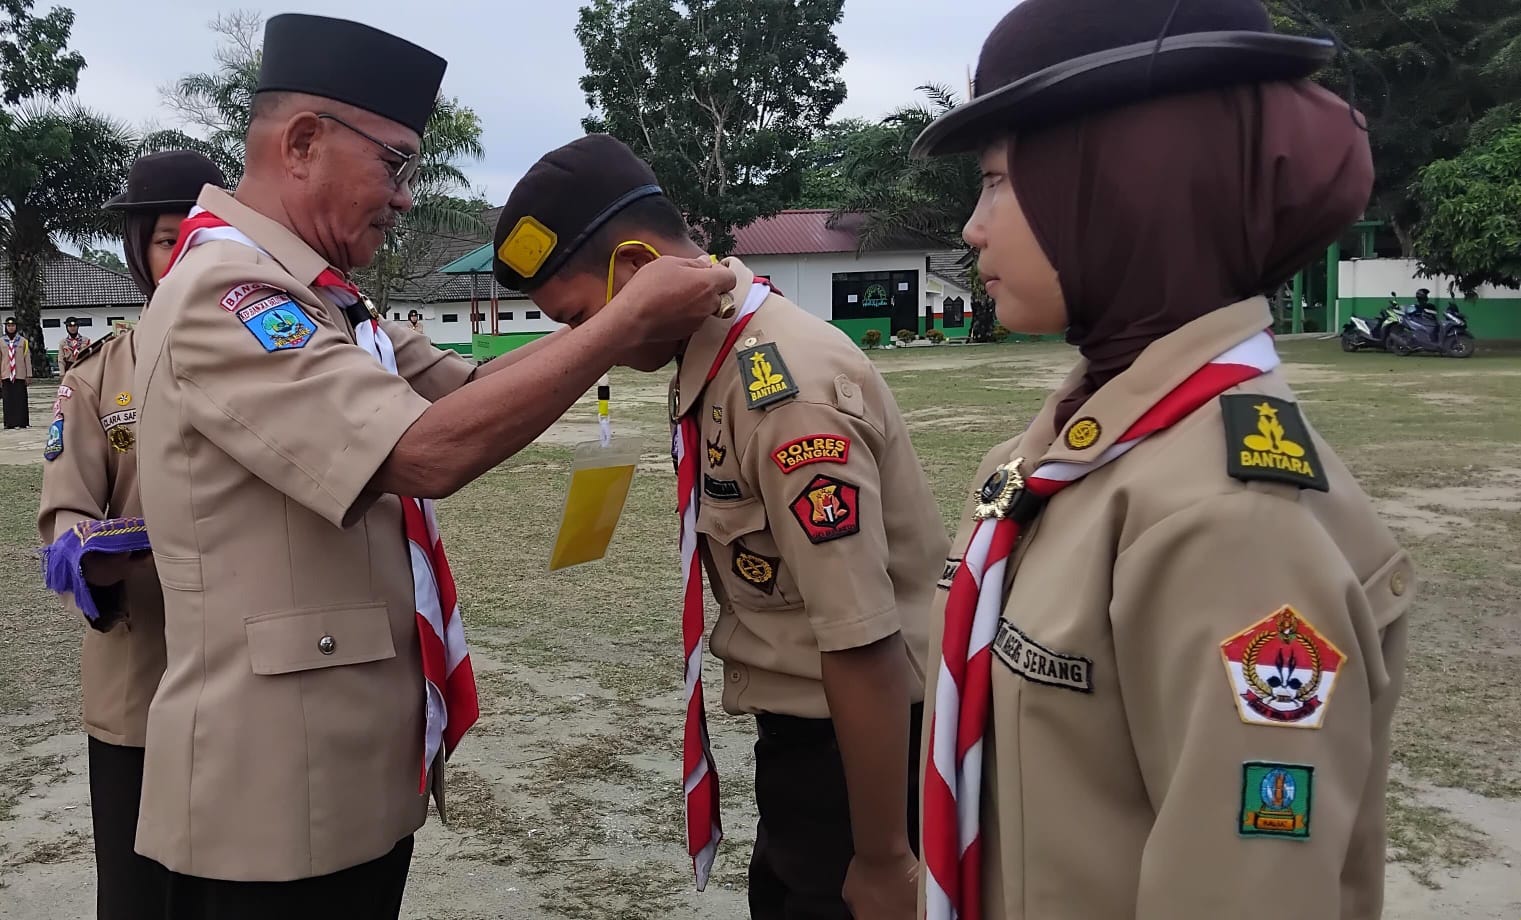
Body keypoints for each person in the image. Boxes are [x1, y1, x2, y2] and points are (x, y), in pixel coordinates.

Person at [130, 16, 733, 920]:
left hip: (334, 769)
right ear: (302, 143)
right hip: (271, 797)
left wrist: (606, 318)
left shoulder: (322, 296)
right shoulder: (230, 294)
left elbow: (470, 388)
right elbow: (422, 452)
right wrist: (618, 326)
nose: (406, 197)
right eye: (397, 164)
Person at [910, 1, 1413, 918]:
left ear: (1122, 184)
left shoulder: (1229, 522)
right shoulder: (1068, 456)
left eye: (996, 182)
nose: (973, 228)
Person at [494, 134, 945, 920]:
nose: (587, 348)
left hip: (859, 756)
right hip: (807, 741)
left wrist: (882, 858)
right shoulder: (718, 355)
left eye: (581, 320)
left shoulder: (780, 386)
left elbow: (860, 636)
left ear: (634, 272)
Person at [37, 149, 228, 920]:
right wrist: (97, 555)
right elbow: (66, 520)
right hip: (139, 686)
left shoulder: (283, 363)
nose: (186, 257)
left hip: (249, 688)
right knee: (140, 895)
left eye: (203, 238)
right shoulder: (94, 381)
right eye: (166, 239)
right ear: (139, 254)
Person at [2, 317, 31, 428]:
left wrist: (29, 374)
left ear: (16, 327)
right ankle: (9, 423)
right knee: (8, 400)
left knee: (21, 399)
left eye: (13, 325)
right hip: (6, 374)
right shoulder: (1, 341)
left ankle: (22, 422)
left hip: (20, 374)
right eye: (9, 326)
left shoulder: (23, 341)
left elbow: (27, 359)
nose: (11, 327)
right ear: (6, 327)